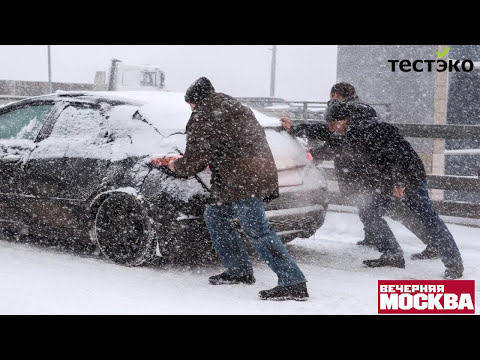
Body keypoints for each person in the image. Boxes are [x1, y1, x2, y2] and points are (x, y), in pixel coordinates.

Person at [281, 88, 464, 279]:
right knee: (370, 212)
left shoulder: (371, 130)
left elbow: (395, 157)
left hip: (408, 176)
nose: (331, 129)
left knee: (426, 218)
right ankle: (392, 254)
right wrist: (294, 129)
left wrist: (399, 182)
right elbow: (326, 135)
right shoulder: (346, 130)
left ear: (345, 120)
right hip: (385, 179)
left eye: (334, 124)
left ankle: (454, 264)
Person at [167, 77, 309, 300]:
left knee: (258, 231)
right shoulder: (236, 107)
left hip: (241, 181)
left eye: (190, 104)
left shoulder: (204, 115)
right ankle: (239, 270)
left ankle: (293, 281)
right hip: (247, 176)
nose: (190, 109)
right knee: (216, 215)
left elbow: (196, 158)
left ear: (195, 100)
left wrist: (175, 165)